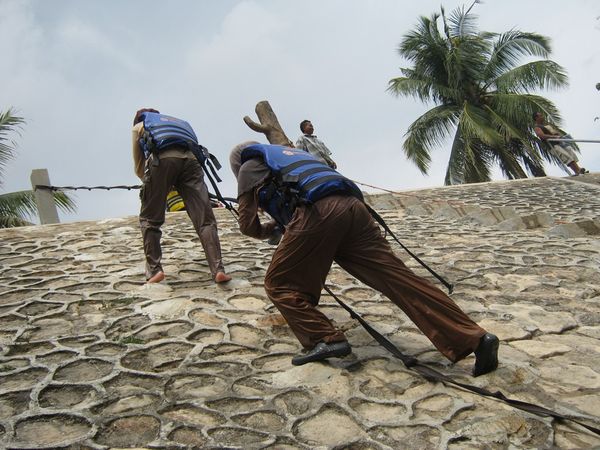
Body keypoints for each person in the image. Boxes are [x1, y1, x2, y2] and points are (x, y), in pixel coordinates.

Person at [229, 142, 499, 376]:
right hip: (355, 210)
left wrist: (271, 230)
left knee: (281, 284)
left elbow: (247, 225)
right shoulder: (294, 157)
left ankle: (325, 337)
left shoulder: (248, 165)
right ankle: (475, 338)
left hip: (317, 213)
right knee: (400, 280)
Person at [132, 108, 231, 284]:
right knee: (205, 220)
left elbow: (140, 166)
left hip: (161, 161)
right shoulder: (178, 125)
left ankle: (155, 271)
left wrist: (153, 183)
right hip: (192, 162)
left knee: (150, 219)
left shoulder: (140, 126)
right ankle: (218, 269)